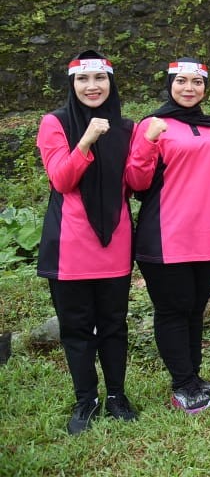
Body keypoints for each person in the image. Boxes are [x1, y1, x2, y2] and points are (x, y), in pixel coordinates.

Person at [126, 58, 210, 413]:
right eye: (181, 81)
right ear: (170, 84)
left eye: (197, 82)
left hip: (208, 234)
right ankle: (182, 386)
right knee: (173, 310)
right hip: (165, 235)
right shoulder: (153, 124)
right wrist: (146, 141)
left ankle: (194, 377)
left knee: (194, 309)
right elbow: (135, 181)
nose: (189, 88)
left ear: (206, 88)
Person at [36, 50, 139, 434]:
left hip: (114, 242)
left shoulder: (126, 128)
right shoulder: (55, 124)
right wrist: (87, 141)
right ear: (72, 84)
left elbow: (135, 183)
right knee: (77, 329)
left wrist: (147, 148)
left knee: (114, 324)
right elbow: (61, 180)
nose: (92, 86)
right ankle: (86, 400)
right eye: (83, 79)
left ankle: (116, 395)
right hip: (70, 245)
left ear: (111, 82)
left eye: (100, 78)